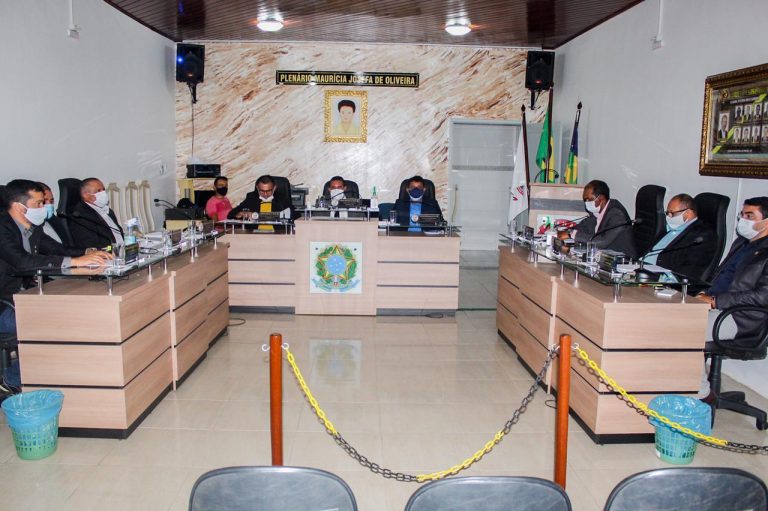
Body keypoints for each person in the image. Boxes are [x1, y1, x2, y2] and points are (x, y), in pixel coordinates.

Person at [0, 180, 111, 392]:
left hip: (24, 298)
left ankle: (65, 374)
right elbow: (22, 262)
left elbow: (58, 249)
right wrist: (75, 262)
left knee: (72, 312)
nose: (43, 208)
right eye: (39, 203)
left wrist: (88, 252)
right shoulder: (3, 229)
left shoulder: (31, 227)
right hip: (4, 306)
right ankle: (12, 380)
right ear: (19, 207)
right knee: (56, 323)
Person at [697, 197, 768, 402]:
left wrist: (715, 301)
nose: (743, 220)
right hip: (717, 306)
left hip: (741, 317)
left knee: (688, 331)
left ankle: (702, 395)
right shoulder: (742, 244)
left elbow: (763, 296)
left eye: (750, 216)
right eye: (742, 215)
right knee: (667, 320)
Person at [642, 194, 717, 281]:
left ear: (688, 213)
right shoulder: (669, 228)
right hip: (641, 272)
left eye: (672, 213)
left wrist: (660, 280)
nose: (668, 217)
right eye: (667, 213)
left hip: (659, 281)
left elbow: (689, 271)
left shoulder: (702, 236)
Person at [572, 180, 637, 258]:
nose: (586, 203)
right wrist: (569, 231)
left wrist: (573, 234)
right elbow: (583, 226)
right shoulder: (597, 212)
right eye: (585, 200)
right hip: (604, 257)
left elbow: (602, 242)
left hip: (623, 260)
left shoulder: (617, 214)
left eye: (589, 199)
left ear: (601, 198)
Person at [70, 178, 124, 250]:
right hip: (107, 254)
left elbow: (118, 234)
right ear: (86, 195)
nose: (103, 193)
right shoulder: (81, 216)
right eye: (98, 191)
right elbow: (91, 246)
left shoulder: (108, 211)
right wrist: (113, 249)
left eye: (103, 190)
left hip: (122, 251)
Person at [228, 175, 293, 232]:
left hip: (277, 234)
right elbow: (231, 215)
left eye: (268, 191)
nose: (265, 194)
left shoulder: (281, 198)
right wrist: (241, 214)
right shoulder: (251, 197)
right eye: (262, 191)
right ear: (257, 188)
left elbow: (294, 214)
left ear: (274, 188)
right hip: (254, 234)